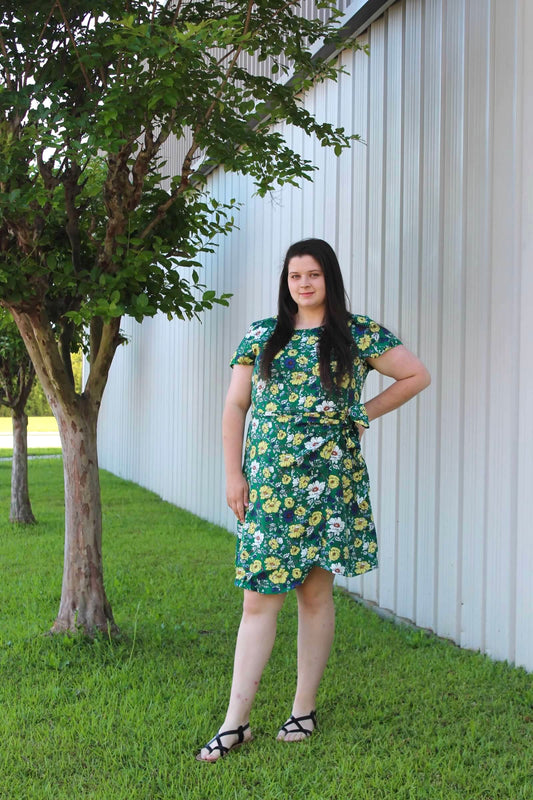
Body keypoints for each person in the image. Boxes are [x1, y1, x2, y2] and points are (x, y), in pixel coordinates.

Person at [196, 238, 430, 762]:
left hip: (331, 485)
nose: (304, 283)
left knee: (315, 596)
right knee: (258, 599)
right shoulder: (262, 336)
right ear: (286, 281)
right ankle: (236, 722)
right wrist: (233, 474)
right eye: (295, 275)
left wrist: (362, 413)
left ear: (330, 279)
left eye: (314, 275)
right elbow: (236, 406)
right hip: (270, 487)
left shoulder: (356, 333)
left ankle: (303, 710)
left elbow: (417, 375)